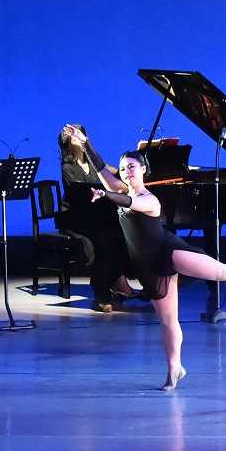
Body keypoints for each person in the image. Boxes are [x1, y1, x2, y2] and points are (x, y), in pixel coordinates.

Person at [67, 129, 226, 390]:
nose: (126, 171)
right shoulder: (119, 188)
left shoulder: (149, 199)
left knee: (223, 272)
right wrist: (86, 143)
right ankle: (175, 368)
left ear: (143, 169)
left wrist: (105, 195)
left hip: (169, 252)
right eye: (122, 168)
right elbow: (101, 170)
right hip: (148, 265)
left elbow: (128, 201)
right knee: (168, 321)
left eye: (131, 166)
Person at [57, 124, 130, 312]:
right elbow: (79, 195)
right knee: (101, 242)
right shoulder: (67, 167)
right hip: (76, 217)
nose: (79, 138)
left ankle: (116, 281)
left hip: (96, 215)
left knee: (119, 236)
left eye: (81, 135)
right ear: (67, 143)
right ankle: (101, 293)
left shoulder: (92, 163)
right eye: (74, 136)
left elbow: (110, 173)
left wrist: (123, 172)